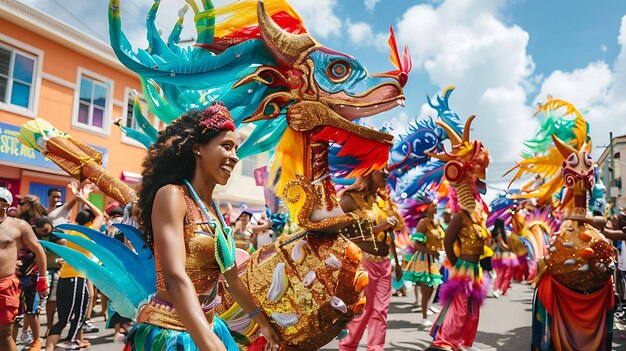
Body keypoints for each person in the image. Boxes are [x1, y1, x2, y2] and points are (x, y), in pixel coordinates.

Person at [126, 103, 280, 350]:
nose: (235, 156)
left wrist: (262, 322)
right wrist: (208, 343)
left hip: (208, 326)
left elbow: (231, 280)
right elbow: (175, 278)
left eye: (237, 149)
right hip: (172, 335)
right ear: (197, 148)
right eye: (227, 146)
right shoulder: (172, 196)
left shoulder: (214, 211)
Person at [338, 169, 404, 351]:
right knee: (363, 309)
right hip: (363, 262)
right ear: (368, 172)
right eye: (381, 169)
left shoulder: (382, 203)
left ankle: (376, 348)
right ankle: (348, 346)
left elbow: (389, 235)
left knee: (381, 310)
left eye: (387, 169)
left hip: (384, 263)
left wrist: (397, 262)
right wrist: (379, 227)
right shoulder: (351, 200)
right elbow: (334, 228)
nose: (386, 173)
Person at [45, 183, 102, 351]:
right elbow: (99, 214)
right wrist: (83, 199)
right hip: (77, 279)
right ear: (90, 223)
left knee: (62, 320)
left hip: (64, 279)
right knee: (79, 317)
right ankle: (71, 342)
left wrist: (80, 198)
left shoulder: (72, 233)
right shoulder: (87, 232)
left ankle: (50, 347)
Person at [0, 187, 48, 351]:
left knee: (5, 334)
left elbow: (39, 250)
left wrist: (42, 280)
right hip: (14, 279)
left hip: (7, 285)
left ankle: (35, 340)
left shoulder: (19, 225)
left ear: (4, 204)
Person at [404, 199, 444, 327]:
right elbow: (416, 244)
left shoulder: (437, 222)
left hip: (434, 258)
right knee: (426, 287)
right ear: (426, 208)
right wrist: (432, 252)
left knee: (433, 286)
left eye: (436, 206)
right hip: (423, 258)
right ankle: (424, 316)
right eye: (433, 206)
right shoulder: (423, 222)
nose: (436, 208)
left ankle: (428, 307)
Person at [32, 217, 61, 338]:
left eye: (45, 230)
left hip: (54, 271)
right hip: (35, 272)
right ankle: (32, 332)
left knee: (51, 301)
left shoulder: (59, 235)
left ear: (51, 226)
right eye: (40, 231)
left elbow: (64, 247)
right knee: (35, 303)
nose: (43, 233)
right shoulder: (32, 233)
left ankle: (49, 326)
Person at [490, 219, 518, 298]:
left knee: (499, 274)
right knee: (502, 274)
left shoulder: (492, 233)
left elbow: (491, 245)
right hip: (503, 256)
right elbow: (502, 244)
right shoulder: (500, 233)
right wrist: (510, 248)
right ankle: (496, 289)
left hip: (495, 255)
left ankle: (498, 289)